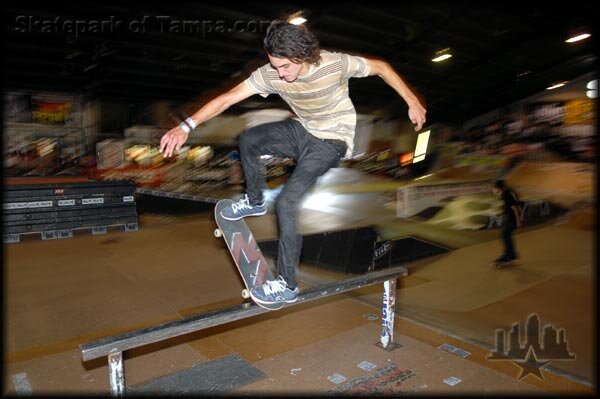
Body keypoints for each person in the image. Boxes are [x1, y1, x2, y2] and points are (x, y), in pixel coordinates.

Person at [159, 19, 426, 308]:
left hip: (331, 141)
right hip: (303, 130)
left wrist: (412, 100)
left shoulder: (336, 64)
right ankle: (254, 199)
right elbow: (228, 99)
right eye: (275, 66)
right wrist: (186, 126)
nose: (280, 75)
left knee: (286, 203)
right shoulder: (270, 74)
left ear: (301, 56)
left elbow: (382, 67)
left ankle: (287, 284)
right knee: (249, 139)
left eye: (285, 67)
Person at [492, 179, 522, 263]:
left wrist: (518, 221)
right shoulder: (504, 194)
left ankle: (509, 255)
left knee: (504, 235)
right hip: (509, 218)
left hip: (512, 219)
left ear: (498, 188)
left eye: (493, 188)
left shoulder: (506, 195)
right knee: (505, 235)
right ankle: (510, 254)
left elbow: (515, 208)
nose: (492, 190)